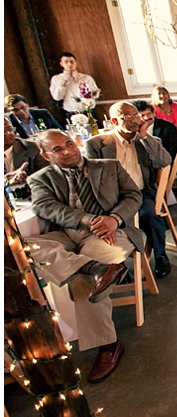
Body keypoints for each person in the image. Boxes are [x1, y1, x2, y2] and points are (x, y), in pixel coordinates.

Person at [26, 130, 141, 383]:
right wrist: (88, 221)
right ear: (46, 156)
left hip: (112, 232)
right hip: (69, 233)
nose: (67, 151)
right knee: (25, 249)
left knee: (80, 280)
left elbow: (134, 196)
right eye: (57, 149)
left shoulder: (108, 166)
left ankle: (109, 345)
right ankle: (97, 268)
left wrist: (113, 219)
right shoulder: (40, 179)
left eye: (69, 144)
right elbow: (45, 207)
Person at [84, 102, 173, 279]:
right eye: (129, 117)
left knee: (151, 214)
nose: (135, 120)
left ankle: (161, 255)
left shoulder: (147, 141)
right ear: (115, 121)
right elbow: (92, 179)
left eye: (136, 115)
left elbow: (164, 161)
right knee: (102, 220)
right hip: (112, 198)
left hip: (141, 193)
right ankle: (118, 264)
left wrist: (144, 136)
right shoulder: (97, 145)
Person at [5, 117, 49, 194]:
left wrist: (28, 179)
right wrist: (5, 181)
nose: (7, 133)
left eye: (9, 129)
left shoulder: (33, 149)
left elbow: (49, 177)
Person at [49, 52, 100, 118]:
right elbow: (57, 97)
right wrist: (63, 81)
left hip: (89, 112)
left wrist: (80, 80)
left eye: (71, 61)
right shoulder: (56, 79)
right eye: (66, 62)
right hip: (71, 114)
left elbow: (95, 95)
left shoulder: (86, 77)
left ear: (76, 63)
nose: (69, 64)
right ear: (61, 64)